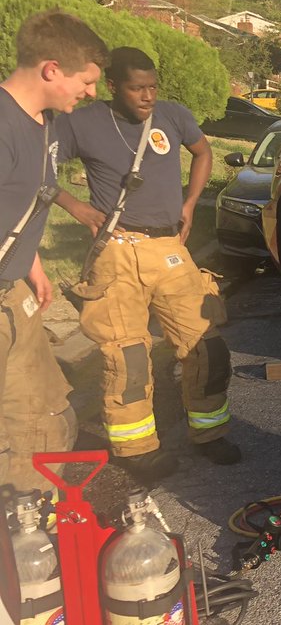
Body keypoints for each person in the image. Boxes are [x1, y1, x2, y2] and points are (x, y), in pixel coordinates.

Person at [54, 47, 238, 481]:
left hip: (168, 249)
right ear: (114, 86)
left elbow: (203, 152)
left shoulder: (172, 115)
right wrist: (75, 206)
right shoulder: (82, 122)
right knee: (129, 357)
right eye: (138, 89)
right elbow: (34, 166)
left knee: (206, 345)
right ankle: (136, 449)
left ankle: (209, 433)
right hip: (116, 253)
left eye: (153, 87)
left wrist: (190, 204)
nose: (148, 96)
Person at [0, 8, 103, 625]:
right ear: (49, 71)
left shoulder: (38, 127)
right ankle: (20, 578)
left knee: (52, 410)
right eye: (85, 80)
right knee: (21, 433)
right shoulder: (2, 124)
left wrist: (33, 269)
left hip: (16, 290)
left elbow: (23, 215)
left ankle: (37, 538)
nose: (89, 93)